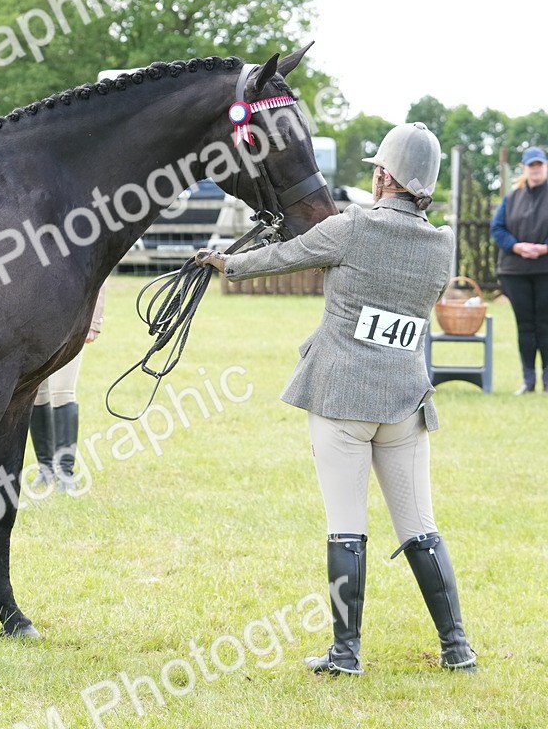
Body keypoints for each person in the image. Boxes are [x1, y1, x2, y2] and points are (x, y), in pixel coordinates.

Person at [198, 122, 477, 675]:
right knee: (420, 524)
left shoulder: (351, 228)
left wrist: (227, 263)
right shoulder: (442, 245)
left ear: (383, 176)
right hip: (405, 400)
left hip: (342, 396)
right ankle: (457, 648)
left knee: (346, 524)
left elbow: (284, 257)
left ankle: (346, 653)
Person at [29, 285, 105, 493]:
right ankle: (45, 469)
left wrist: (94, 318)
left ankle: (64, 472)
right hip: (33, 320)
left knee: (62, 391)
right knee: (37, 394)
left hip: (72, 317)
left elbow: (99, 270)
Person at [490, 145, 548, 394]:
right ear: (524, 168)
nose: (535, 170)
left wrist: (543, 249)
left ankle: (547, 380)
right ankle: (528, 379)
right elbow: (498, 229)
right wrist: (517, 246)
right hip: (515, 271)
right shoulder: (511, 198)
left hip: (545, 269)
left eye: (540, 165)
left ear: (545, 166)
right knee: (524, 325)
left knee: (544, 324)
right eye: (531, 165)